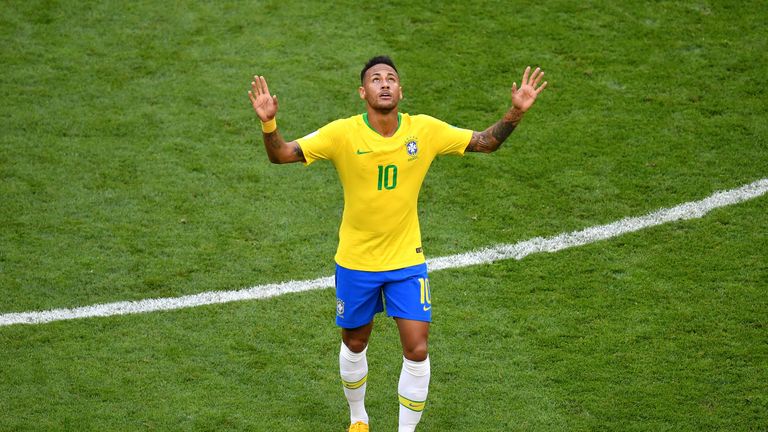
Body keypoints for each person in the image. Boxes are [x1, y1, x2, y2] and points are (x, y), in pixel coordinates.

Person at [248, 56, 547, 432]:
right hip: (356, 262)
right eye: (376, 79)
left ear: (401, 91)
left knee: (417, 349)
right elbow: (280, 154)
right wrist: (268, 122)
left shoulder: (424, 130)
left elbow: (485, 143)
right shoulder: (342, 134)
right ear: (363, 92)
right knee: (355, 343)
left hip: (407, 260)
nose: (385, 84)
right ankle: (358, 418)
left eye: (391, 79)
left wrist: (516, 112)